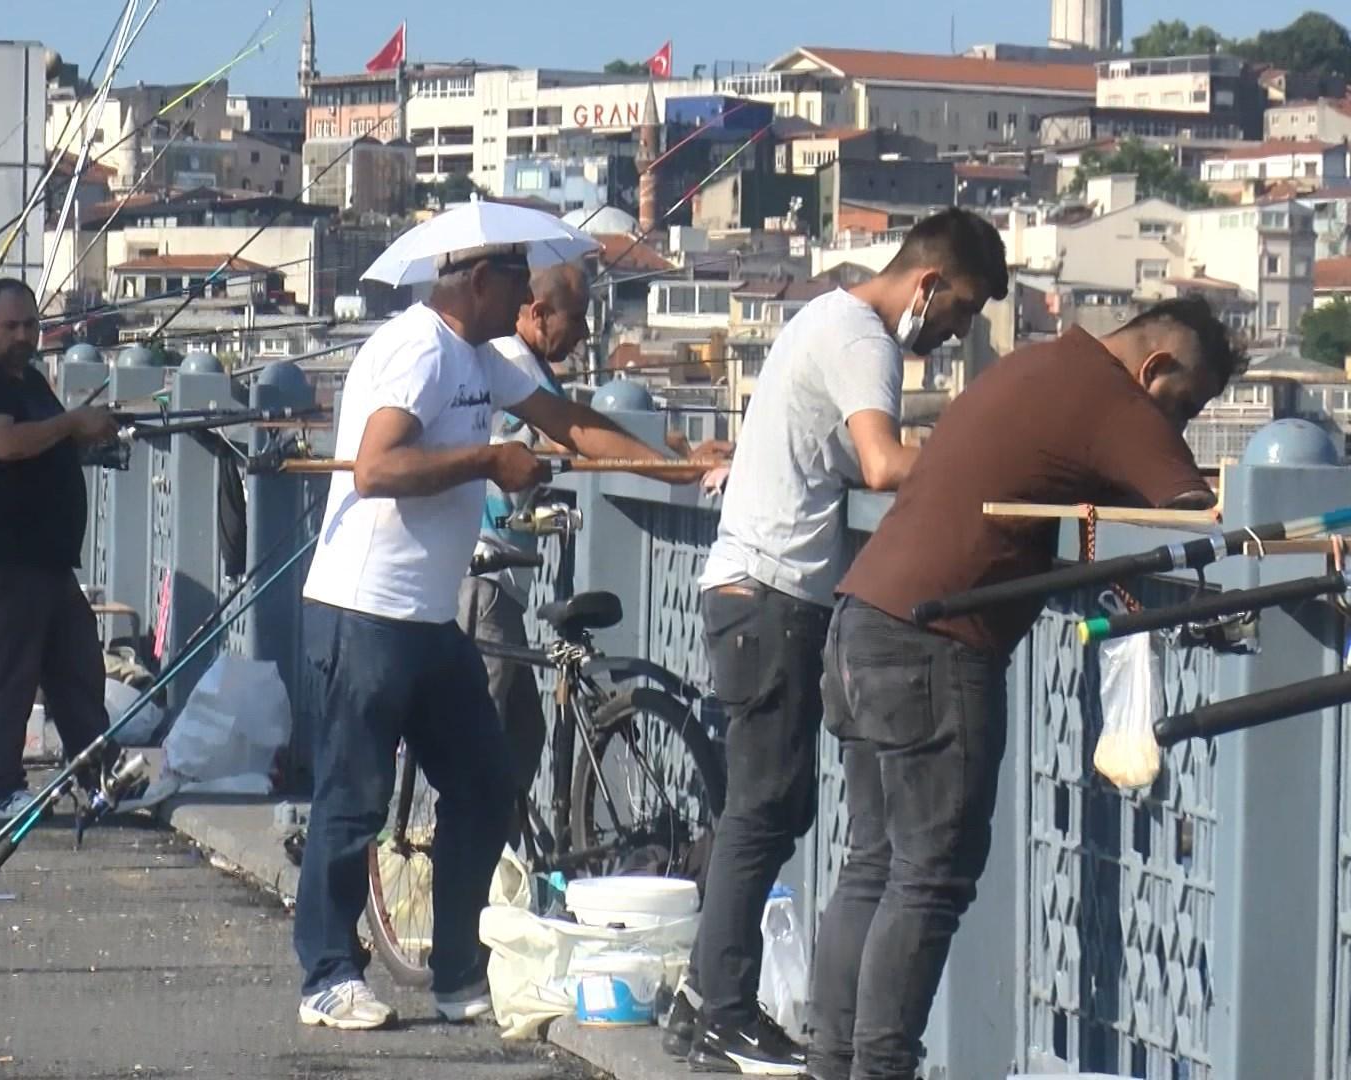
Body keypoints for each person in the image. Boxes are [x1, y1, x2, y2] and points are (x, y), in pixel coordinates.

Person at [804, 297, 1239, 1080]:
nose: (1179, 425)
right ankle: (878, 1069)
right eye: (1186, 405)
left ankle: (831, 1063)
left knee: (873, 863)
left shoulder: (1031, 364)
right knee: (930, 877)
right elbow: (1197, 510)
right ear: (1156, 369)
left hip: (860, 619)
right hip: (935, 645)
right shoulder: (1109, 392)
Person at [293, 241, 713, 1031]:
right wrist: (488, 458)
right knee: (353, 800)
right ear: (480, 282)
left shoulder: (485, 358)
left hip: (429, 617)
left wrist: (682, 468)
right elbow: (375, 470)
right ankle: (326, 974)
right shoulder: (418, 350)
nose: (529, 299)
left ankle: (457, 972)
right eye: (518, 282)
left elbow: (574, 424)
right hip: (364, 609)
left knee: (485, 785)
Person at [666, 207, 1009, 1075]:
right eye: (960, 310)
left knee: (770, 807)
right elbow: (885, 463)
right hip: (773, 593)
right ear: (927, 283)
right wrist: (976, 458)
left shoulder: (819, 314)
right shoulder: (864, 338)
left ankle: (705, 1001)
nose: (955, 330)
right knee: (765, 809)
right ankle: (724, 1011)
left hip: (753, 589)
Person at [0, 279, 119, 818]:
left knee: (77, 668)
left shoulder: (32, 381)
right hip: (3, 556)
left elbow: (47, 440)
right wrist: (71, 423)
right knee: (9, 674)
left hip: (46, 559)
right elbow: (8, 443)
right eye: (11, 326)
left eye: (30, 326)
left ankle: (100, 778)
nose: (23, 336)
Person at [458, 262, 593, 809]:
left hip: (507, 578)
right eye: (577, 317)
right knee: (481, 736)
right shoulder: (517, 366)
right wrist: (668, 456)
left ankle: (501, 853)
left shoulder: (525, 366)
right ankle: (466, 860)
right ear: (538, 313)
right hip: (487, 573)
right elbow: (569, 436)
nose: (584, 333)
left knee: (521, 735)